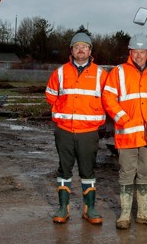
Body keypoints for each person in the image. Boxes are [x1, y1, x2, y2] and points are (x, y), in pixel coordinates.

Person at [102, 34, 147, 230]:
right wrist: (121, 117)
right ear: (130, 52)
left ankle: (144, 213)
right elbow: (108, 97)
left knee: (145, 173)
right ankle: (124, 215)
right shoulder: (118, 72)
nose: (139, 55)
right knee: (126, 173)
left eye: (142, 52)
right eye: (135, 51)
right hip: (127, 134)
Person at [45, 32, 108, 225]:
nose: (81, 50)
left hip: (88, 132)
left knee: (87, 171)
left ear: (90, 51)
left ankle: (90, 209)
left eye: (84, 46)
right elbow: (50, 95)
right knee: (64, 169)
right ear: (71, 50)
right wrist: (60, 111)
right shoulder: (60, 72)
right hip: (64, 130)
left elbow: (109, 98)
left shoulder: (101, 74)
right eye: (77, 46)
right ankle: (63, 208)